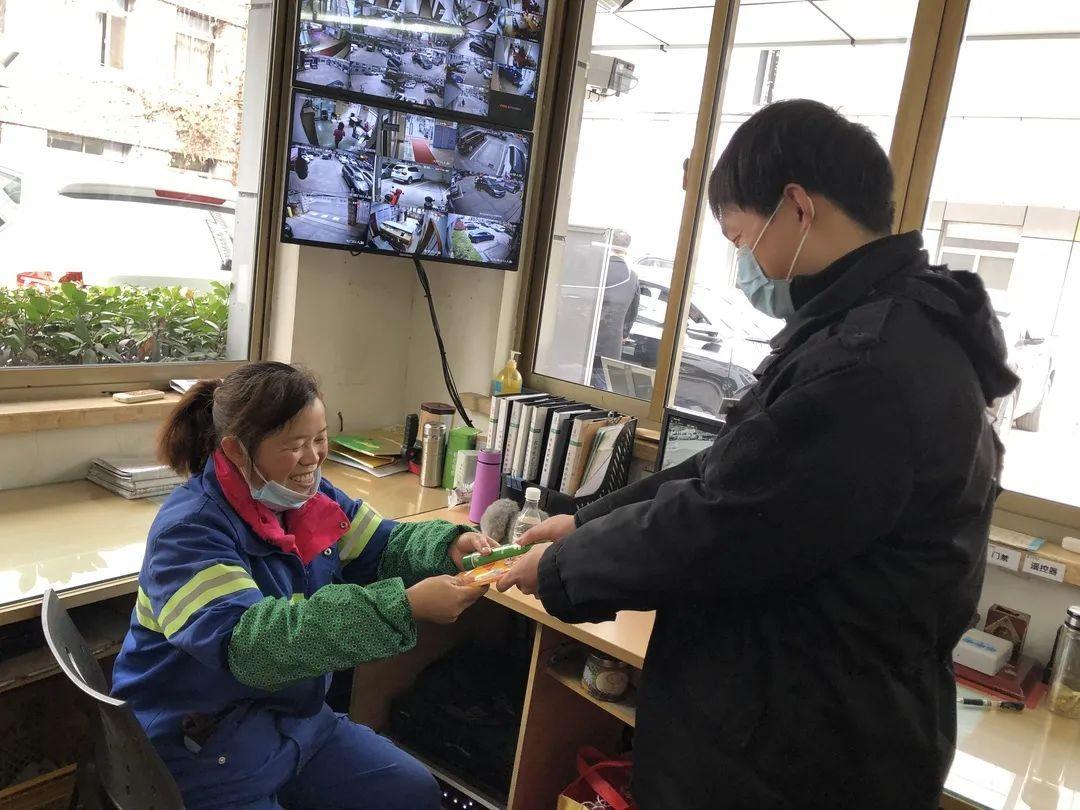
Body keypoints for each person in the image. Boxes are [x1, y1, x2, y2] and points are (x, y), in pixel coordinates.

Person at [498, 99, 1019, 809]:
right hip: (789, 718)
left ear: (797, 208)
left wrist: (563, 568)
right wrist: (588, 520)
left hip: (807, 748)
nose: (744, 262)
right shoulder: (868, 333)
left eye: (741, 237)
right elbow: (733, 464)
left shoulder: (870, 368)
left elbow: (722, 521)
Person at [112, 362, 494, 809]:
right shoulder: (189, 532)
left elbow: (382, 544)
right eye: (294, 446)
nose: (313, 458)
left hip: (292, 717)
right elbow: (254, 645)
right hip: (200, 738)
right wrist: (402, 607)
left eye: (319, 439)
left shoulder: (308, 497)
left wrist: (448, 544)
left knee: (411, 791)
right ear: (237, 451)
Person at [591, 228, 640, 389]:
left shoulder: (597, 269)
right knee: (602, 391)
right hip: (611, 345)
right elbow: (633, 311)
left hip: (584, 340)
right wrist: (624, 333)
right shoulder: (632, 276)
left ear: (608, 244)